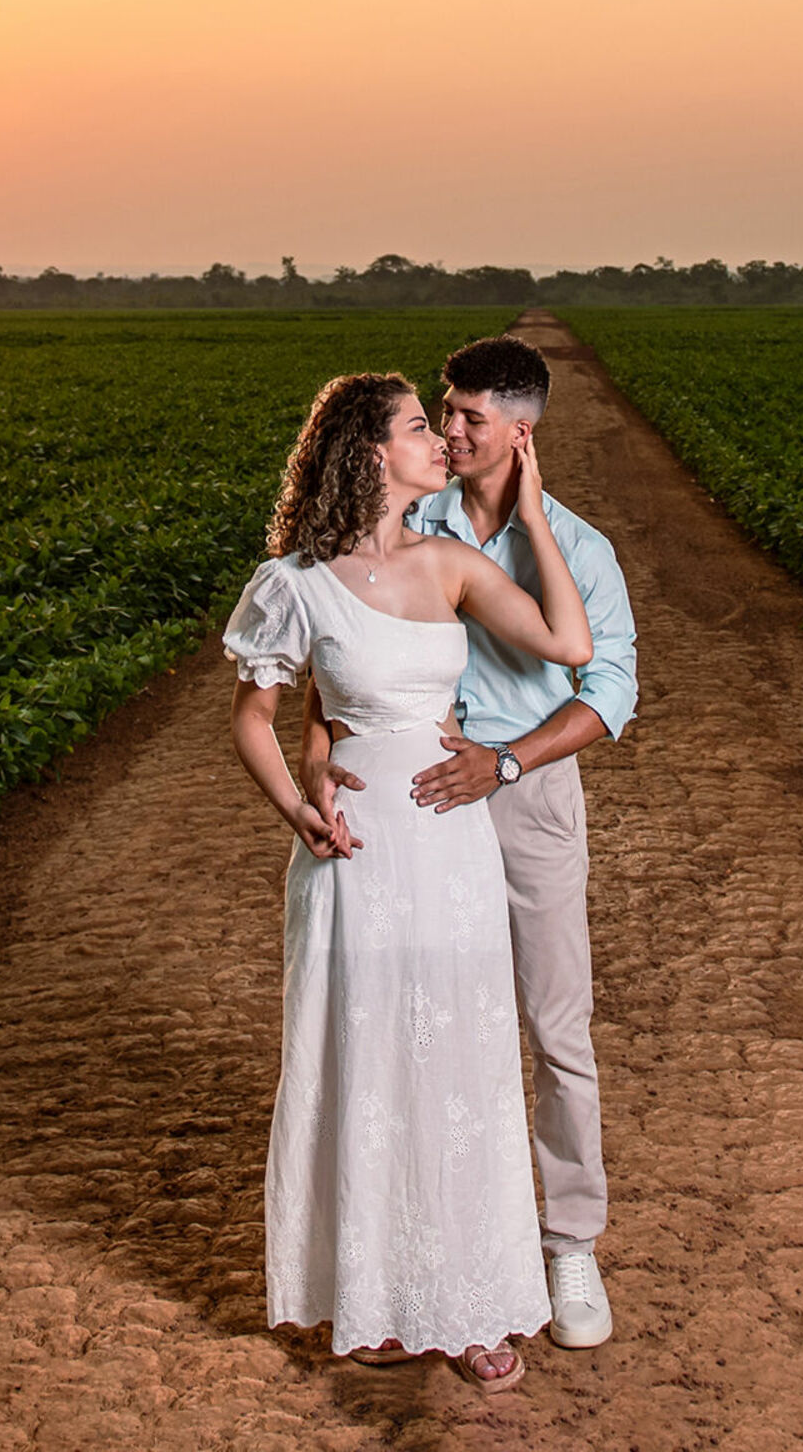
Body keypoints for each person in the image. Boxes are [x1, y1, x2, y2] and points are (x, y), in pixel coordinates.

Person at [225, 371, 593, 1391]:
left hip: (452, 845)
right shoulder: (293, 582)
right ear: (371, 452)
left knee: (463, 1062)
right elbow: (254, 714)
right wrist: (298, 802)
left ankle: (473, 1301)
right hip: (356, 851)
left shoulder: (452, 563)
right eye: (421, 427)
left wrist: (533, 517)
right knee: (368, 1058)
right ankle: (376, 1295)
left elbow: (571, 645)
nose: (441, 440)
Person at [300, 334, 636, 1350]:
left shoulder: (578, 550)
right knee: (428, 1020)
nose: (447, 431)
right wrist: (320, 763)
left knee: (552, 1020)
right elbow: (334, 668)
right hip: (416, 804)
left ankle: (570, 1237)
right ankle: (427, 1246)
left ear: (519, 433)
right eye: (438, 413)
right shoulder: (410, 521)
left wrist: (505, 761)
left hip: (523, 792)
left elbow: (606, 689)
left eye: (467, 418)